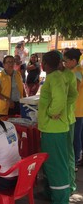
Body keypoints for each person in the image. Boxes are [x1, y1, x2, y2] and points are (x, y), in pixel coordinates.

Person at [38, 51, 69, 203]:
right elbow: (72, 95)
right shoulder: (57, 76)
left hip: (53, 129)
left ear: (44, 64)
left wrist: (53, 112)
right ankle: (51, 193)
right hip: (52, 128)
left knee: (56, 166)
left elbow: (61, 98)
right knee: (51, 164)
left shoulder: (55, 77)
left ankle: (60, 199)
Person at [57, 50, 78, 194]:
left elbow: (71, 96)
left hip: (68, 120)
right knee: (60, 155)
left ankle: (70, 185)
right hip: (60, 121)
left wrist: (56, 111)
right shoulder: (57, 74)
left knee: (68, 154)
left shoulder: (72, 74)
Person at [63, 49, 83, 170]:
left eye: (66, 61)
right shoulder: (77, 70)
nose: (64, 64)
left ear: (73, 61)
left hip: (76, 110)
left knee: (75, 136)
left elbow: (73, 90)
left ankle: (74, 161)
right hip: (79, 109)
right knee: (79, 135)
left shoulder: (76, 72)